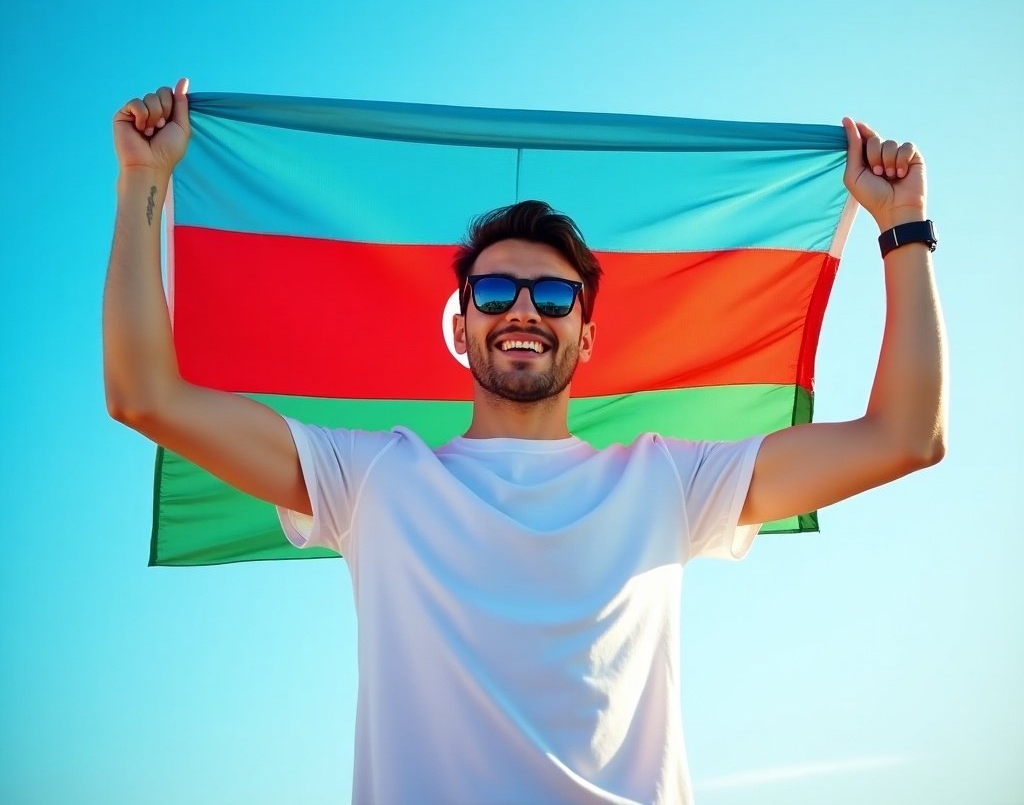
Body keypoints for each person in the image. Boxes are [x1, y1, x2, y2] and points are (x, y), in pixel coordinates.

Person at [105, 78, 947, 805]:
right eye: (496, 288)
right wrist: (143, 178)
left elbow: (906, 438)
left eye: (554, 295)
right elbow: (145, 397)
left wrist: (902, 225)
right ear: (462, 326)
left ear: (586, 336)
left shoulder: (670, 481)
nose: (523, 309)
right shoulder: (368, 476)